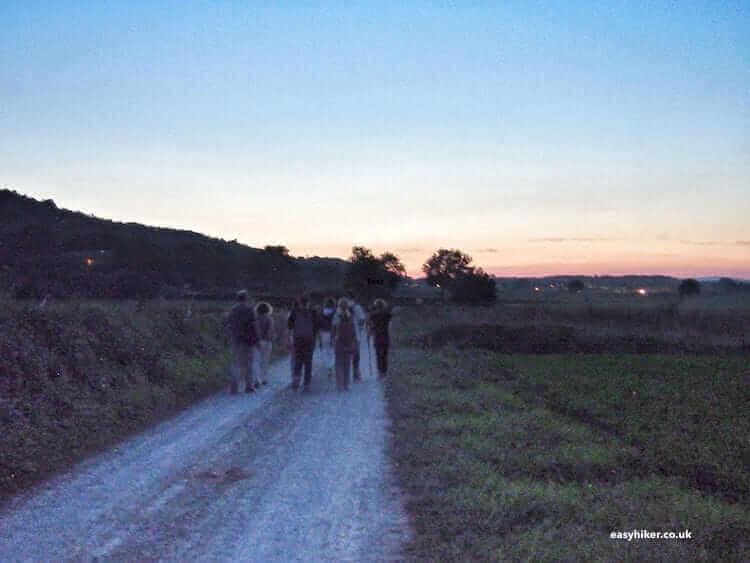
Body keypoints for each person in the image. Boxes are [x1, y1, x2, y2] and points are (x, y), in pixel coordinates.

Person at [225, 290, 259, 394]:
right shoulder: (250, 310)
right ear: (246, 298)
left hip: (235, 340)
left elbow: (228, 325)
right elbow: (254, 326)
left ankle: (233, 387)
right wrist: (256, 339)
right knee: (249, 364)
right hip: (248, 340)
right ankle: (249, 386)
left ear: (237, 299)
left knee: (236, 363)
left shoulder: (232, 310)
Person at [287, 295, 318, 391]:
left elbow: (289, 325)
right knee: (308, 362)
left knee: (298, 360)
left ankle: (296, 381)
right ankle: (307, 384)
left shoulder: (295, 312)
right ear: (308, 302)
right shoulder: (313, 312)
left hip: (298, 339)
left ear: (300, 302)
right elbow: (316, 326)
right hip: (309, 339)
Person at [332, 298, 358, 391]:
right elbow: (354, 330)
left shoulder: (337, 316)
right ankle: (346, 384)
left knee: (339, 363)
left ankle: (339, 384)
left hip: (339, 342)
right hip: (349, 342)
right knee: (347, 363)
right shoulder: (350, 316)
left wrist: (332, 341)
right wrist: (354, 341)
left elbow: (334, 329)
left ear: (339, 306)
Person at [368, 298, 392, 378]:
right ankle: (384, 371)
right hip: (385, 336)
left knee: (378, 354)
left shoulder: (373, 315)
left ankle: (380, 372)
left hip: (377, 336)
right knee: (385, 354)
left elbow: (371, 326)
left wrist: (370, 332)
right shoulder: (387, 315)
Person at [255, 301, 275, 386]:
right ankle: (264, 379)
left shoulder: (256, 318)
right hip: (267, 341)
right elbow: (270, 330)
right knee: (265, 361)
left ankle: (256, 379)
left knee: (257, 361)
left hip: (257, 341)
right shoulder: (269, 318)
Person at [317, 297, 336, 378]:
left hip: (323, 333)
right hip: (333, 332)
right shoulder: (335, 313)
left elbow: (318, 325)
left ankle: (329, 367)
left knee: (325, 351)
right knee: (332, 351)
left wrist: (319, 337)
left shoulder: (321, 313)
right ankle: (332, 366)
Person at [351, 298, 368, 380]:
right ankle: (356, 373)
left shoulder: (341, 305)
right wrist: (360, 328)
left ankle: (343, 375)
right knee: (356, 355)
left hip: (342, 334)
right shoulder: (357, 307)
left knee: (344, 355)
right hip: (355, 334)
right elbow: (362, 320)